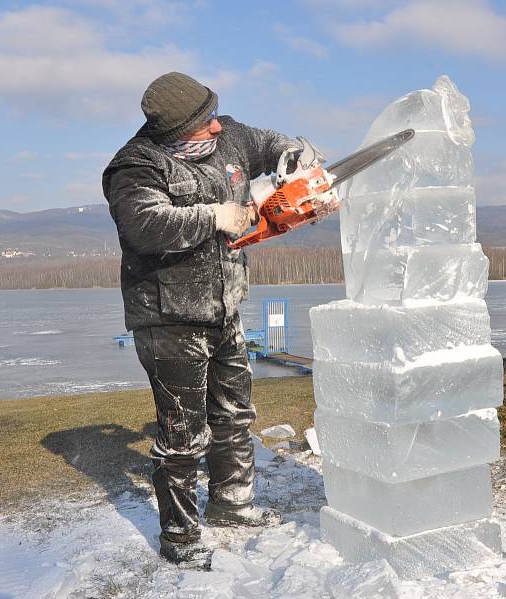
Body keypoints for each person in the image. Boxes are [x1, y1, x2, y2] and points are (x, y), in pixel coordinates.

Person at [102, 72, 298, 567]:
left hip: (225, 307)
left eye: (214, 115)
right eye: (202, 123)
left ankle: (232, 502)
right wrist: (215, 215)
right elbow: (145, 225)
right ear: (173, 133)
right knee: (182, 433)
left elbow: (266, 142)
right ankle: (180, 537)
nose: (215, 128)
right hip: (168, 317)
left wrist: (289, 153)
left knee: (234, 413)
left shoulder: (227, 132)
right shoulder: (135, 165)